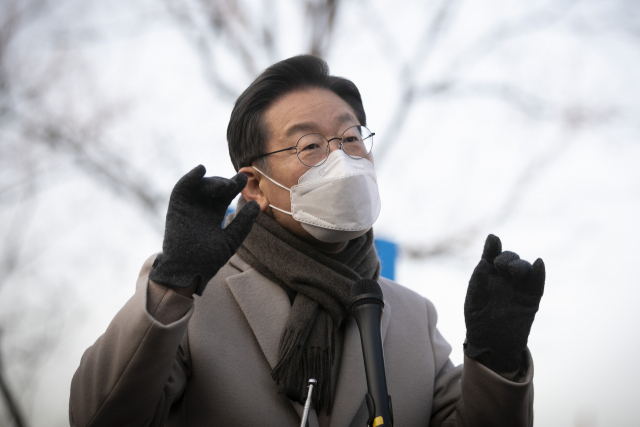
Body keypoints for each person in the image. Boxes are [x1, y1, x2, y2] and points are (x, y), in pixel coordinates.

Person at [69, 55, 545, 427]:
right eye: (310, 145)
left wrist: (495, 359)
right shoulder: (192, 300)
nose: (342, 160)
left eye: (352, 137)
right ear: (254, 185)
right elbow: (99, 417)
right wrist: (171, 285)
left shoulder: (412, 318)